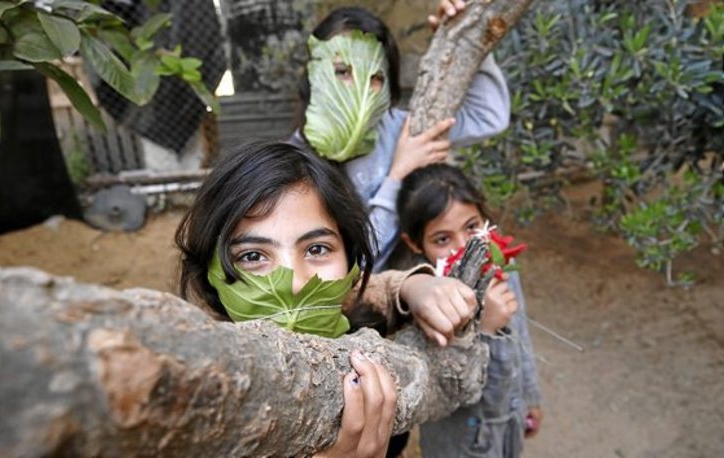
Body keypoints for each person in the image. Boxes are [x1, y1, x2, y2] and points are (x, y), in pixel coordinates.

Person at [175, 141, 511, 456]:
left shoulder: (348, 302)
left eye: (317, 249)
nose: (295, 283)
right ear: (210, 273)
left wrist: (416, 286)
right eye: (252, 256)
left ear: (351, 262)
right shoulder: (207, 389)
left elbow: (379, 289)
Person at [292, 0, 510, 270]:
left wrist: (462, 39)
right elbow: (351, 267)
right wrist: (398, 175)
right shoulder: (294, 165)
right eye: (342, 72)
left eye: (375, 77)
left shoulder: (402, 128)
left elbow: (487, 116)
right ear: (313, 75)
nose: (358, 88)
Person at [396, 163, 543, 457]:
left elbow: (521, 333)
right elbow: (448, 388)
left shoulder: (502, 268)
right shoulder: (423, 301)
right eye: (442, 239)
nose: (465, 247)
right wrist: (486, 330)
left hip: (509, 418)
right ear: (414, 243)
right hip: (461, 441)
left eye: (472, 227)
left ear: (485, 218)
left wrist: (529, 396)